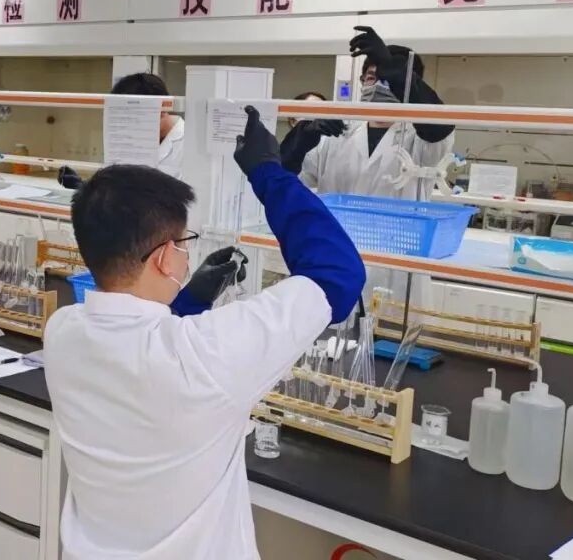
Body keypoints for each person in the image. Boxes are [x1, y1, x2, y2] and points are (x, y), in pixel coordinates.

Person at [44, 107, 365, 559]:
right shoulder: (207, 354)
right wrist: (269, 173)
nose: (186, 257)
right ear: (163, 258)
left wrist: (189, 300)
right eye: (183, 245)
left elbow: (135, 344)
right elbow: (337, 275)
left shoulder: (62, 331)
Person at [281, 26, 454, 200]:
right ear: (362, 81)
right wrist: (301, 140)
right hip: (333, 219)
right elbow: (288, 177)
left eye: (388, 79)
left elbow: (438, 127)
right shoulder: (336, 133)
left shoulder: (423, 139)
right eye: (371, 77)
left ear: (409, 84)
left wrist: (392, 67)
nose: (378, 86)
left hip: (397, 220)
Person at [58, 72, 184, 189]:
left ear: (162, 111)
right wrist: (84, 187)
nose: (131, 127)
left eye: (136, 119)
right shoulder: (131, 138)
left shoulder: (187, 146)